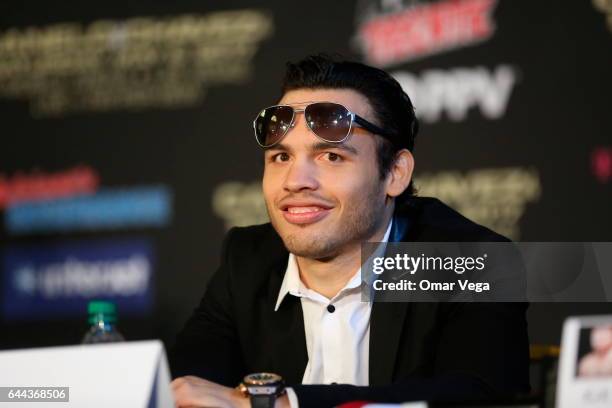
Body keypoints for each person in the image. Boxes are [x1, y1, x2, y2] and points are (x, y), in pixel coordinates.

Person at [170, 55, 530, 408]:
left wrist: (282, 403)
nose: (296, 181)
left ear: (394, 174)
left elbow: (479, 396)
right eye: (281, 157)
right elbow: (185, 386)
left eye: (331, 157)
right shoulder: (247, 259)